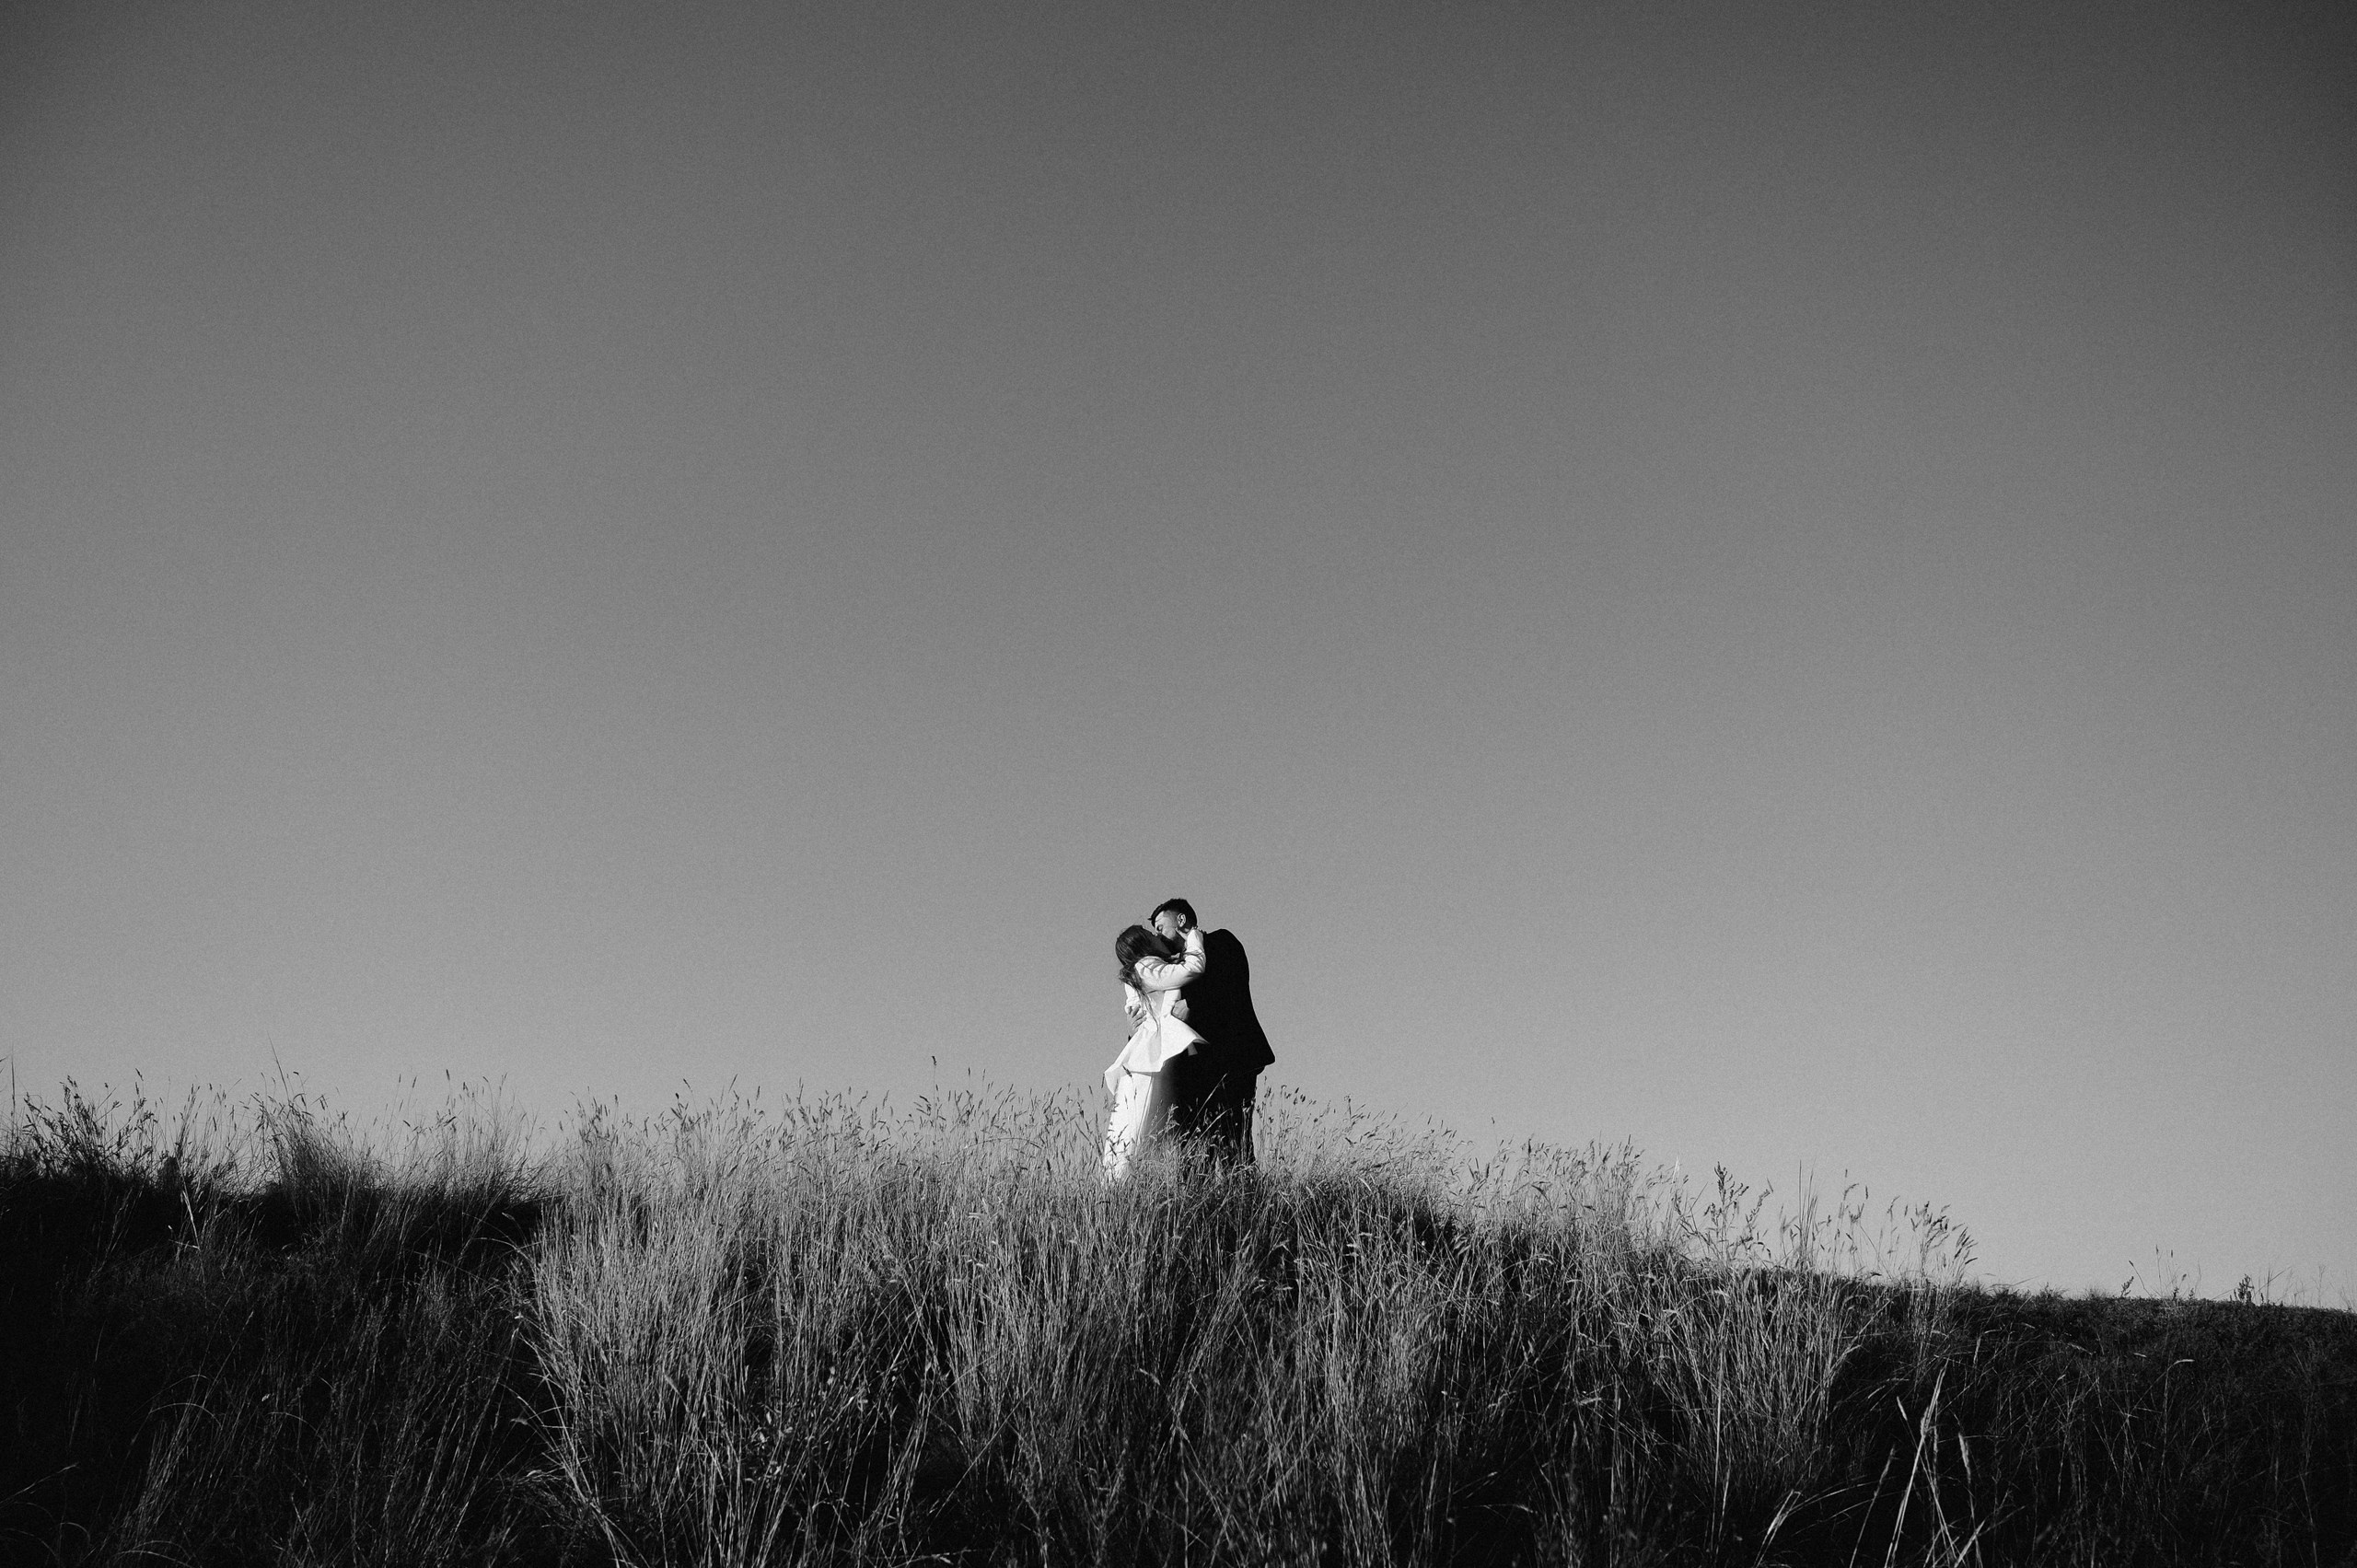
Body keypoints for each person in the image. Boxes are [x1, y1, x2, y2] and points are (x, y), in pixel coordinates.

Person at [1149, 898, 1273, 1168]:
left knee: (1235, 1136)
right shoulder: (1175, 968)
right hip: (1195, 1065)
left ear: (1181, 920)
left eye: (1161, 926)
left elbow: (1232, 983)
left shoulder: (1220, 941)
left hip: (1232, 1055)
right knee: (1195, 1140)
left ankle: (1244, 1199)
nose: (1158, 935)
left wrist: (1191, 1005)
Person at [1100, 922, 1206, 1179]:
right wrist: (1194, 939)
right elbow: (1192, 969)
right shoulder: (1145, 966)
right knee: (1142, 1122)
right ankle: (1123, 1183)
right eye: (1150, 933)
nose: (1156, 935)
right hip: (1151, 1056)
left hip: (1154, 1051)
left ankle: (1133, 1183)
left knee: (1150, 1123)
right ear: (1142, 944)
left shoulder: (1145, 969)